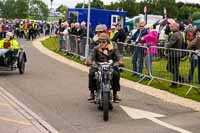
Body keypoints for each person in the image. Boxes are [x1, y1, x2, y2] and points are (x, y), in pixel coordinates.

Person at [86, 33, 123, 102]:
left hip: (110, 66)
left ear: (108, 41)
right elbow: (91, 55)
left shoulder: (113, 48)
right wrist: (89, 60)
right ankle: (92, 93)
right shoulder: (96, 49)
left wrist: (120, 61)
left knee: (116, 74)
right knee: (91, 73)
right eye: (100, 41)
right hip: (98, 66)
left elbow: (118, 55)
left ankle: (115, 93)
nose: (101, 43)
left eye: (103, 42)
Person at [165, 22, 185, 88]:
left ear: (176, 27)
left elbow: (169, 44)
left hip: (174, 54)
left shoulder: (175, 35)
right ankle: (178, 80)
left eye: (172, 27)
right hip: (178, 54)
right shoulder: (180, 34)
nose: (170, 28)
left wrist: (165, 50)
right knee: (175, 69)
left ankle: (177, 81)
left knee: (169, 67)